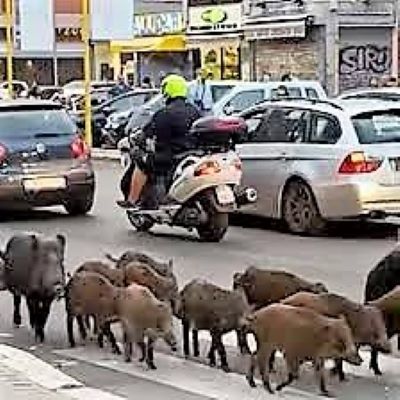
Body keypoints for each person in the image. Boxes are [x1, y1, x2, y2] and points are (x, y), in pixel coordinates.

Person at [117, 74, 201, 209]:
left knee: (140, 162)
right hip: (193, 154)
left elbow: (147, 133)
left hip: (168, 157)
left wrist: (138, 138)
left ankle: (132, 200)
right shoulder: (194, 111)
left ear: (167, 91)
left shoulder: (163, 113)